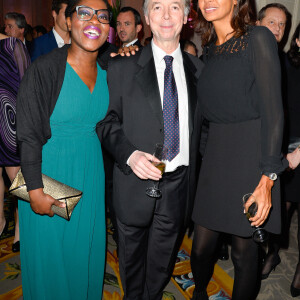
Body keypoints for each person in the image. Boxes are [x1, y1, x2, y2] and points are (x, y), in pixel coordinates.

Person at [97, 0, 203, 298]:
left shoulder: (199, 70)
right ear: (146, 16)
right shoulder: (121, 66)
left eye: (174, 6)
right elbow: (106, 122)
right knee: (131, 263)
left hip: (179, 185)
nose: (166, 15)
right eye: (157, 7)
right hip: (134, 182)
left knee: (161, 263)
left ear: (186, 15)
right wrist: (129, 154)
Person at [190, 0, 287, 299]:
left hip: (250, 158)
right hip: (216, 159)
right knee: (201, 249)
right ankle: (200, 294)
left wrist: (267, 178)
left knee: (244, 255)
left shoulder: (258, 38)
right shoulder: (210, 49)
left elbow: (274, 112)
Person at [16, 0, 111, 298]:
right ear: (68, 21)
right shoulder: (44, 69)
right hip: (48, 175)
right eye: (84, 12)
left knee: (83, 253)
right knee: (51, 261)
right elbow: (28, 133)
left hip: (90, 172)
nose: (94, 20)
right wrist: (34, 190)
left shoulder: (110, 68)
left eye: (103, 16)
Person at [261, 23, 300, 297]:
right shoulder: (284, 63)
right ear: (297, 38)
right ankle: (272, 254)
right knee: (280, 210)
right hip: (286, 149)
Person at [0, 33, 30, 251]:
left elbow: (28, 86)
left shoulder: (12, 45)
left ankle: (23, 226)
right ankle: (0, 222)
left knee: (16, 177)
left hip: (9, 119)